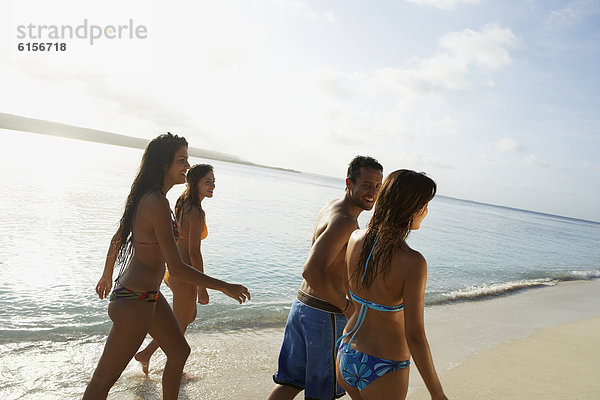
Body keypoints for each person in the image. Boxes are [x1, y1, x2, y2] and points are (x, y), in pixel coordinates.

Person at [85, 133, 250, 400]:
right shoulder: (156, 202)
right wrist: (224, 286)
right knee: (103, 380)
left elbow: (118, 237)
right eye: (181, 160)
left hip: (149, 295)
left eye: (187, 159)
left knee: (179, 351)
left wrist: (106, 275)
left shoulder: (154, 198)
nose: (187, 166)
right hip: (134, 300)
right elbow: (178, 267)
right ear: (164, 164)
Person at [267, 156, 384, 400]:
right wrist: (347, 307)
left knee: (290, 383)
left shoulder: (332, 207)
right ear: (349, 182)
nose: (372, 192)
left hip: (303, 307)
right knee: (322, 394)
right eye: (366, 185)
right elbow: (311, 270)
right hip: (324, 316)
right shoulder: (345, 221)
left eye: (377, 186)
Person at [335, 169, 447, 400]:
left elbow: (350, 292)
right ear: (410, 207)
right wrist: (438, 394)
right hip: (384, 364)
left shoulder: (355, 238)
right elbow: (414, 336)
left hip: (347, 351)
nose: (426, 211)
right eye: (424, 204)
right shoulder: (413, 262)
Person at [134, 164, 216, 374]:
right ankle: (170, 366)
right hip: (185, 275)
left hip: (174, 271)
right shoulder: (196, 212)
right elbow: (195, 252)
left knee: (187, 318)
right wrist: (202, 287)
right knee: (179, 325)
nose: (212, 186)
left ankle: (148, 354)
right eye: (207, 182)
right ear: (194, 183)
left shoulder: (182, 203)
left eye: (213, 181)